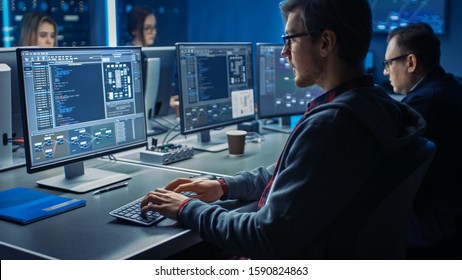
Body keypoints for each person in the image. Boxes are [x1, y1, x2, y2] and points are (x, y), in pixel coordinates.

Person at [140, 0, 426, 259]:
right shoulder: (372, 103)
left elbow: (263, 236)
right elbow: (292, 174)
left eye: (290, 39)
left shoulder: (332, 125)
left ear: (325, 43)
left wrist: (186, 209)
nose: (284, 52)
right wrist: (225, 186)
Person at [383, 23, 462, 249]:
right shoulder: (449, 86)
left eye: (389, 63)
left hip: (434, 232)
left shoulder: (424, 104)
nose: (385, 72)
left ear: (411, 62)